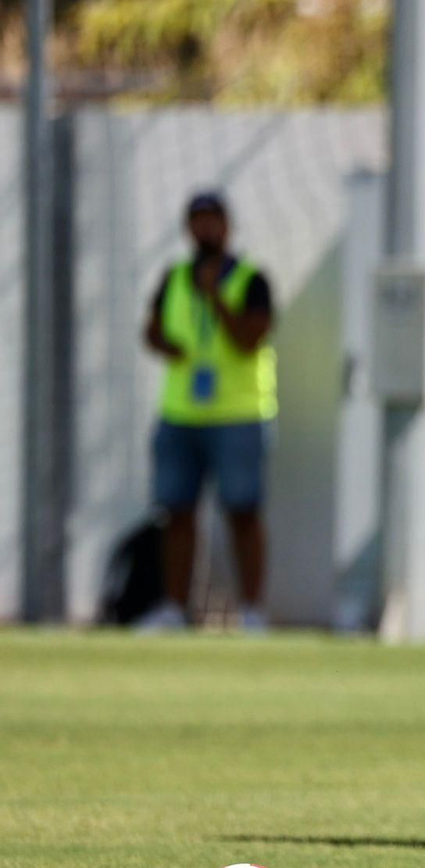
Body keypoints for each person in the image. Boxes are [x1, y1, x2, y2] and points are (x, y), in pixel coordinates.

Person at [139, 191, 275, 632]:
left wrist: (216, 297)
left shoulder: (251, 280)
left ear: (227, 226)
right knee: (177, 512)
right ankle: (175, 608)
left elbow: (249, 338)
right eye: (197, 221)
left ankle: (252, 610)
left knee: (242, 511)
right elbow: (152, 330)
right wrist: (167, 345)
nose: (205, 230)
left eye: (212, 220)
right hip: (181, 414)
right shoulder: (175, 277)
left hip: (237, 414)